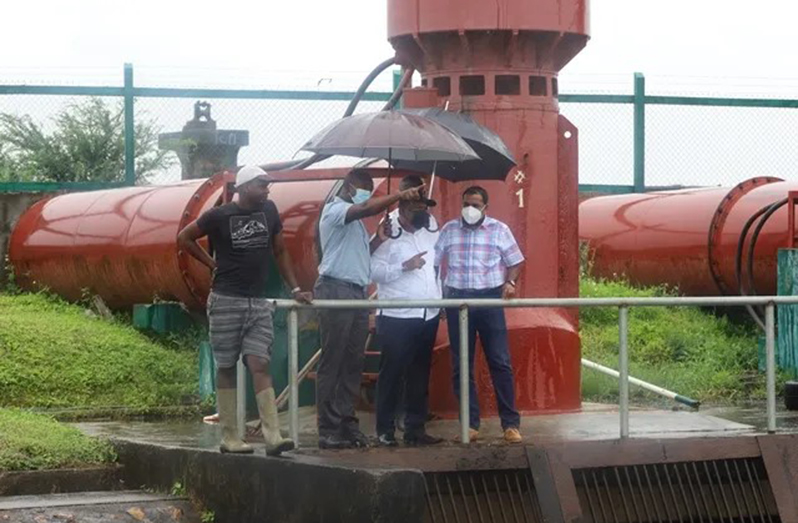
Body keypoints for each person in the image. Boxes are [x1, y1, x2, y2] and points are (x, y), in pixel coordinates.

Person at [177, 165, 312, 456]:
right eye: (262, 185)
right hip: (226, 300)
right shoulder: (220, 215)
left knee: (259, 363)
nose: (267, 190)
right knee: (226, 366)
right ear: (246, 187)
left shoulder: (270, 211)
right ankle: (230, 436)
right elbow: (184, 237)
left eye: (267, 186)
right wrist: (211, 263)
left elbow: (280, 251)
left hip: (258, 302)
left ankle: (272, 435)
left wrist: (296, 288)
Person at [315, 168, 425, 449]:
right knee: (334, 361)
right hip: (336, 288)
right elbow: (364, 208)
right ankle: (328, 428)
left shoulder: (354, 225)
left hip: (356, 291)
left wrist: (378, 239)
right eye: (364, 188)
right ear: (349, 187)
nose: (366, 194)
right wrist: (400, 194)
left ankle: (346, 424)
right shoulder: (336, 211)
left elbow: (360, 257)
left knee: (352, 362)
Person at [434, 186, 524, 444]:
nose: (470, 210)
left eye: (475, 205)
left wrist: (511, 283)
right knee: (461, 365)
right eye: (466, 204)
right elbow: (434, 261)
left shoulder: (499, 230)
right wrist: (439, 296)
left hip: (489, 299)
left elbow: (515, 261)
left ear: (486, 207)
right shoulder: (450, 230)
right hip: (457, 300)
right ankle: (470, 425)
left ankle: (510, 424)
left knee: (500, 362)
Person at [370, 175, 444, 447]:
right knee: (392, 373)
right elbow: (371, 270)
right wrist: (404, 265)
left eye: (425, 207)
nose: (424, 213)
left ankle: (415, 428)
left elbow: (437, 261)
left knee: (420, 372)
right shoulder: (386, 230)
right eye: (417, 209)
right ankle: (384, 430)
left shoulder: (432, 226)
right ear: (402, 209)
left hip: (428, 312)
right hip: (397, 315)